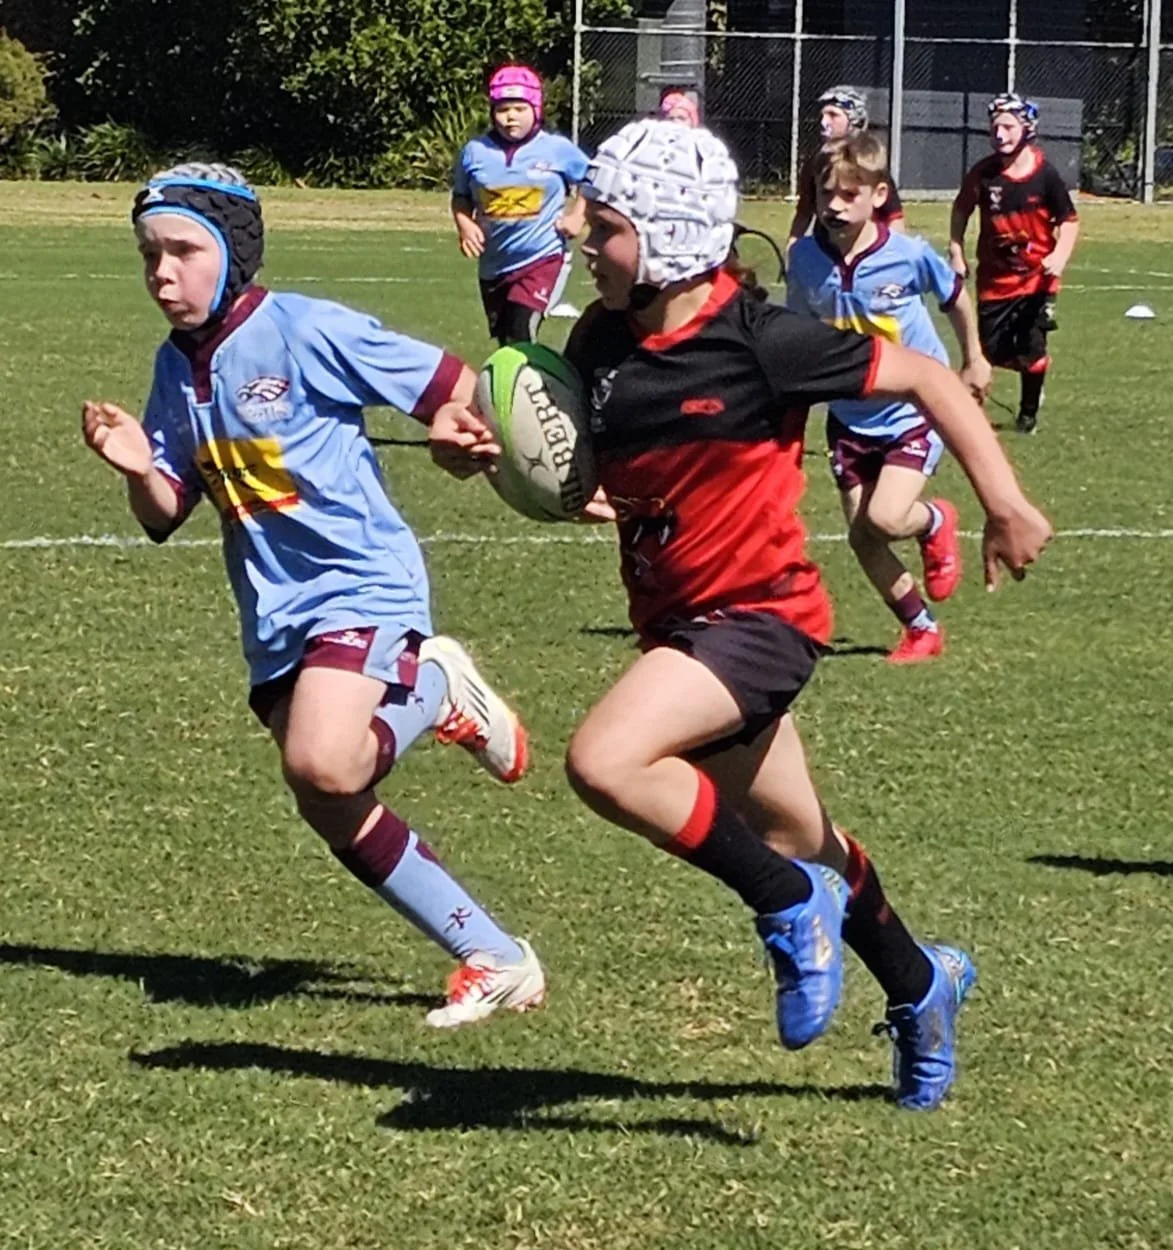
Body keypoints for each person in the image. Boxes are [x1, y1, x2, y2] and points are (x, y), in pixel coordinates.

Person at [430, 121, 1052, 1108]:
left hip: (761, 618)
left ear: (672, 236)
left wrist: (1006, 503)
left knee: (605, 760)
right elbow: (567, 452)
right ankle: (922, 981)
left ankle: (780, 902)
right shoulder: (597, 337)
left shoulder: (765, 344)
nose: (583, 238)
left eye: (607, 226)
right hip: (676, 624)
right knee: (810, 838)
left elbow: (930, 378)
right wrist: (481, 452)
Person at [81, 163, 545, 1029]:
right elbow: (167, 510)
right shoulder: (173, 365)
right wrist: (141, 469)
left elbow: (453, 387)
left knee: (322, 761)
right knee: (328, 799)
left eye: (184, 251)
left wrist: (461, 425)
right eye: (149, 255)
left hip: (360, 583)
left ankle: (437, 688)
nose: (163, 274)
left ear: (234, 251)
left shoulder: (301, 328)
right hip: (274, 613)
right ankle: (491, 955)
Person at [787, 133, 993, 663]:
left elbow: (953, 297)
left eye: (848, 195)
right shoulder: (806, 259)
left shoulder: (907, 256)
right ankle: (921, 629)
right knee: (864, 537)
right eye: (825, 192)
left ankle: (935, 520)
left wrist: (973, 357)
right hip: (849, 416)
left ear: (878, 196)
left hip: (912, 413)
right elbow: (798, 335)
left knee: (883, 518)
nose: (833, 205)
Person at [949, 93, 1080, 435]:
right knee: (987, 352)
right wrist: (956, 248)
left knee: (1033, 348)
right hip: (995, 280)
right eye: (995, 127)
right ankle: (972, 415)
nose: (1000, 134)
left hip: (1036, 280)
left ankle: (1028, 415)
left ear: (1027, 129)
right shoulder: (984, 173)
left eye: (1008, 126)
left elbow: (1069, 221)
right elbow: (961, 209)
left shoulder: (1045, 175)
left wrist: (1059, 256)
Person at [451, 64, 590, 346]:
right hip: (495, 265)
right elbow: (461, 196)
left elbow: (591, 180)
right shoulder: (475, 152)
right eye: (503, 109)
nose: (511, 117)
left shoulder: (556, 149)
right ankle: (512, 389)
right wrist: (465, 225)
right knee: (506, 342)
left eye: (519, 108)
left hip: (543, 257)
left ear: (536, 109)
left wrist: (578, 216)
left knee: (521, 331)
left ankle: (537, 387)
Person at [788, 85, 905, 254]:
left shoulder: (868, 164)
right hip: (826, 252)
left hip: (868, 252)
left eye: (833, 115)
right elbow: (804, 212)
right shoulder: (815, 163)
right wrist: (792, 248)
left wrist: (896, 257)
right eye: (822, 115)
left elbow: (894, 217)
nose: (824, 122)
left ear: (853, 120)